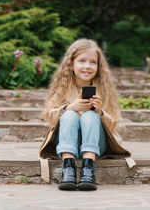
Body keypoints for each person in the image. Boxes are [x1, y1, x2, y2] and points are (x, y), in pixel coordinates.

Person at [39, 38, 134, 191]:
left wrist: (100, 112)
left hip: (96, 145)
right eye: (82, 61)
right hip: (67, 143)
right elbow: (48, 116)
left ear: (98, 66)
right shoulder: (62, 88)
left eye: (92, 62)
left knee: (90, 116)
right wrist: (69, 107)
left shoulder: (103, 90)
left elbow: (115, 124)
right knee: (69, 115)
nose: (87, 66)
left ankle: (88, 169)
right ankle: (68, 170)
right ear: (71, 64)